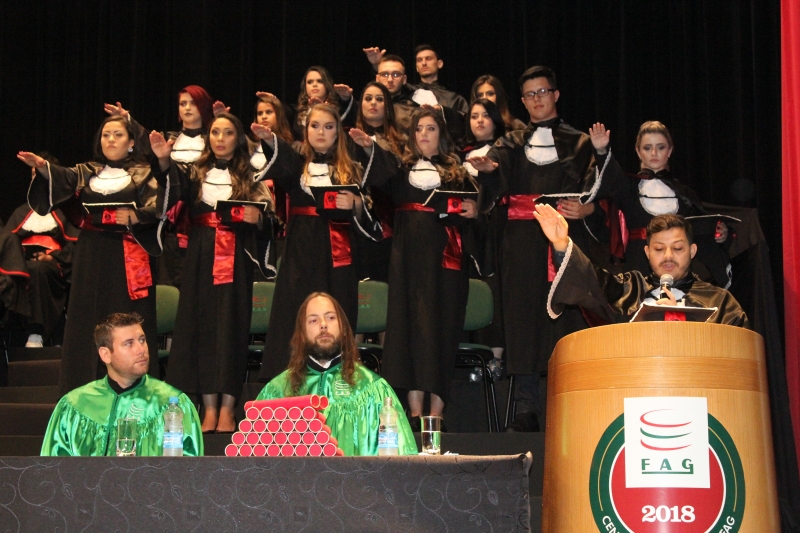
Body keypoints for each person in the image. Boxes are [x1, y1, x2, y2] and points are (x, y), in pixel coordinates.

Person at [467, 66, 605, 432]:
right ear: (523, 101)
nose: (537, 99)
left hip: (562, 242)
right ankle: (526, 408)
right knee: (523, 321)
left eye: (543, 92)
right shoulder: (511, 142)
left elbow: (600, 193)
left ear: (555, 95)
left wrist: (587, 209)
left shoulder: (579, 143)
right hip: (520, 246)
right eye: (530, 94)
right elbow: (496, 171)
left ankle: (569, 407)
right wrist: (489, 168)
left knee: (566, 320)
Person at [18, 115, 172, 395]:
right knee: (88, 320)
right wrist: (43, 168)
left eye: (118, 135)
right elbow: (62, 179)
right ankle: (83, 391)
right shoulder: (87, 171)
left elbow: (163, 205)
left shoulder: (144, 172)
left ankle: (134, 392)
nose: (110, 140)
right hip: (91, 254)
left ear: (131, 142)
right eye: (106, 135)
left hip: (128, 256)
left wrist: (136, 216)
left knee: (127, 319)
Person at [155, 112, 274, 433]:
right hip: (200, 261)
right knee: (202, 329)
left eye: (228, 132)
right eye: (215, 132)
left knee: (231, 330)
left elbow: (270, 218)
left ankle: (228, 406)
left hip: (236, 261)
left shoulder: (252, 175)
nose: (220, 138)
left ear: (238, 138)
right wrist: (164, 160)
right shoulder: (194, 172)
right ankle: (209, 406)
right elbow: (170, 192)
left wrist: (258, 219)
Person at [370, 109, 485, 427]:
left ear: (441, 135)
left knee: (442, 330)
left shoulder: (459, 175)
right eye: (418, 128)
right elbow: (376, 194)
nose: (423, 134)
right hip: (407, 265)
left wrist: (474, 212)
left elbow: (478, 222)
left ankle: (436, 412)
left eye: (431, 128)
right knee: (407, 330)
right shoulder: (399, 172)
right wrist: (368, 148)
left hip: (446, 265)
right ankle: (414, 411)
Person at [252, 104, 381, 382]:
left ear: (338, 133)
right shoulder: (297, 166)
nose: (321, 132)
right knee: (294, 317)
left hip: (338, 259)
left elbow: (373, 217)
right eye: (315, 126)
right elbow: (282, 157)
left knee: (336, 317)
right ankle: (291, 389)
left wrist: (355, 204)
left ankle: (339, 387)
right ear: (306, 131)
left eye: (328, 126)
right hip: (299, 255)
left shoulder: (352, 170)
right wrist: (270, 140)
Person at [534, 205, 749, 327]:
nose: (668, 256)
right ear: (647, 253)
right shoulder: (630, 290)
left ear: (692, 251)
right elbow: (590, 281)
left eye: (677, 248)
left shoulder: (720, 301)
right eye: (659, 249)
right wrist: (561, 244)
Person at [256, 292, 416, 456]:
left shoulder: (373, 390)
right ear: (302, 334)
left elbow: (401, 460)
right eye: (313, 320)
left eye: (331, 318)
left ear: (344, 329)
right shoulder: (277, 392)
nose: (323, 325)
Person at [587, 121, 733, 288]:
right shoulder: (628, 187)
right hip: (639, 268)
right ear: (638, 151)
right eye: (647, 148)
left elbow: (700, 229)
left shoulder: (685, 193)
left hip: (678, 269)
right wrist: (602, 151)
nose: (654, 153)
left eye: (661, 147)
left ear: (669, 151)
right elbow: (610, 179)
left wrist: (720, 234)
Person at [41, 312, 204, 457]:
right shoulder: (75, 405)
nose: (141, 349)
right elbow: (53, 470)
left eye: (142, 340)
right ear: (105, 354)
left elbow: (189, 472)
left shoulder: (171, 404)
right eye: (129, 343)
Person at [459, 99, 507, 378]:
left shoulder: (504, 152)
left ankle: (495, 360)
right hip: (464, 232)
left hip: (493, 232)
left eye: (485, 115)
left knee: (492, 290)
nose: (479, 121)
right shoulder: (458, 156)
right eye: (474, 116)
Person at [7, 187, 79, 347]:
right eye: (33, 176)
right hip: (23, 263)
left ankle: (36, 331)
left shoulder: (65, 212)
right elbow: (8, 242)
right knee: (25, 271)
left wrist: (53, 256)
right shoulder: (20, 212)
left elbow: (76, 245)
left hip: (55, 264)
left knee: (38, 269)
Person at [352, 81, 406, 283]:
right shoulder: (348, 139)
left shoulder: (400, 141)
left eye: (379, 99)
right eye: (368, 98)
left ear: (388, 106)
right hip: (356, 221)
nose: (373, 103)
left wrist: (372, 149)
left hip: (390, 223)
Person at [363, 49, 465, 140]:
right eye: (419, 60)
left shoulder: (450, 98)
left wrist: (440, 111)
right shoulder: (410, 93)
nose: (424, 63)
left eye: (428, 58)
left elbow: (464, 124)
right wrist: (377, 65)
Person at [290, 66, 354, 142]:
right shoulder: (300, 112)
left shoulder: (338, 109)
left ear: (327, 84)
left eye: (320, 81)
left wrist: (345, 98)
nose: (314, 85)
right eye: (310, 82)